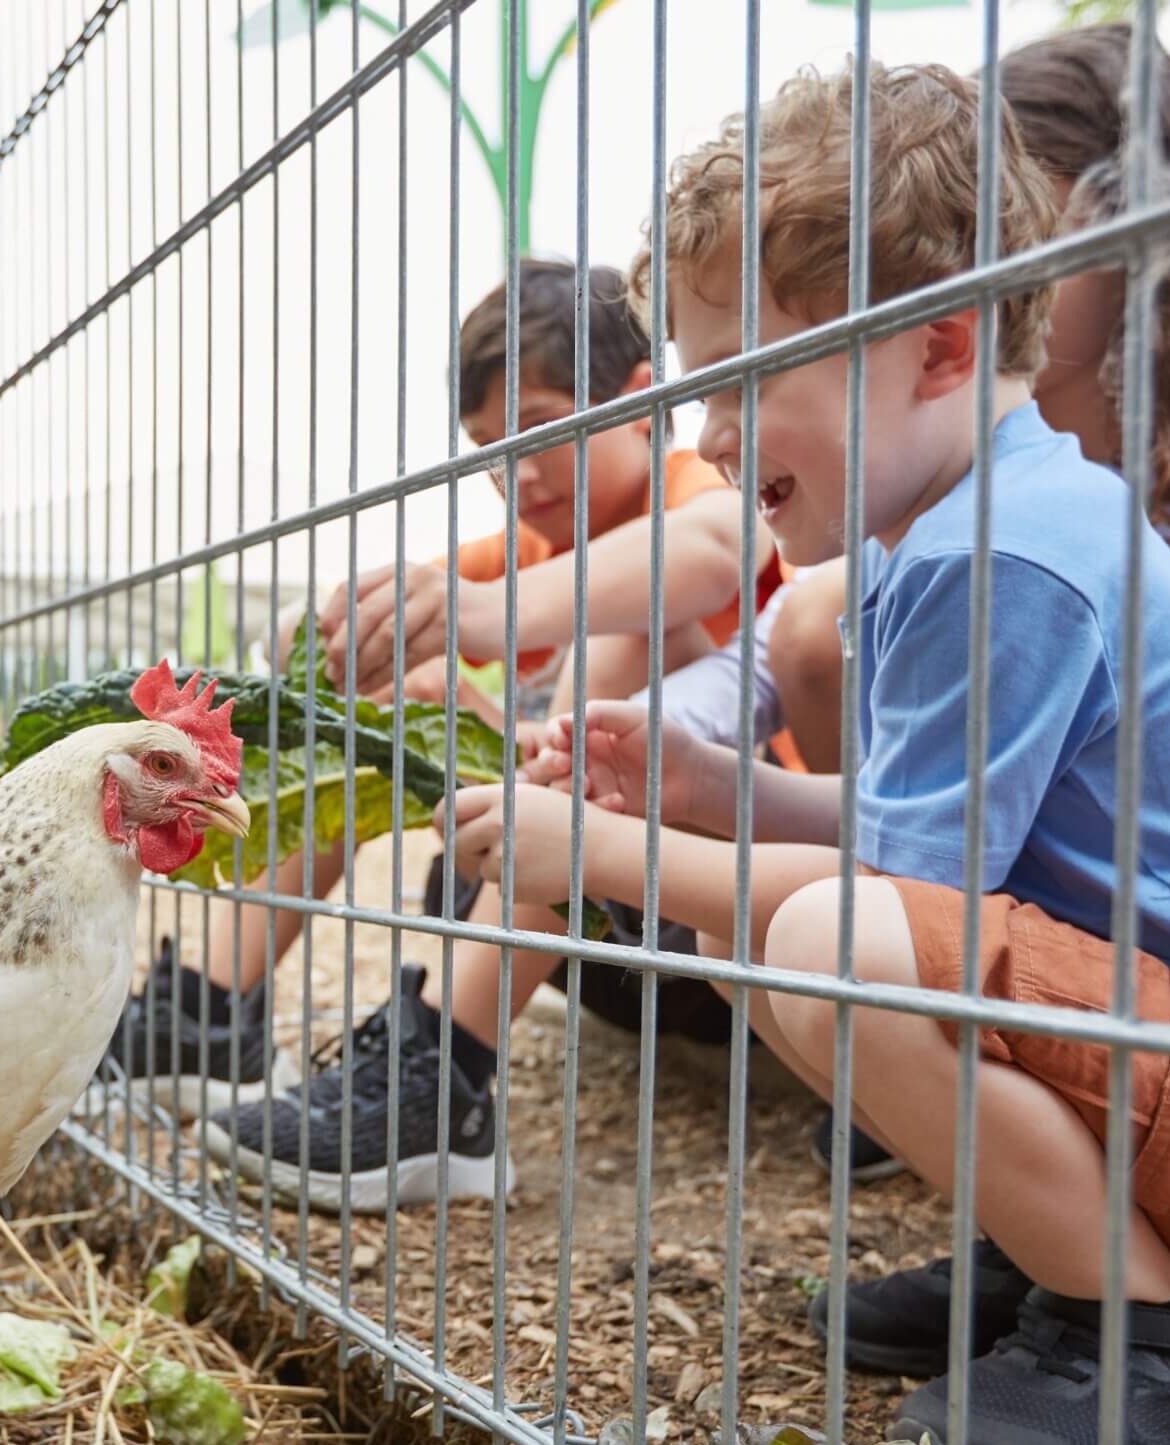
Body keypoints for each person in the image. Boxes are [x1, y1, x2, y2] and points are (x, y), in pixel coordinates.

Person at [454, 57, 1170, 1445]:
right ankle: (1056, 1262)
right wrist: (712, 785)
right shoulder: (965, 527)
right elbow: (916, 846)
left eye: (745, 375)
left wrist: (596, 857)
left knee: (813, 939)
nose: (711, 437)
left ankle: (1156, 1344)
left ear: (933, 349)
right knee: (781, 929)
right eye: (694, 386)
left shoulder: (1007, 551)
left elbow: (898, 905)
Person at [677, 23, 1170, 1191]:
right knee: (817, 656)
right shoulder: (941, 445)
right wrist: (677, 751)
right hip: (1063, 868)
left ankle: (1059, 1197)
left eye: (1014, 222)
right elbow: (786, 625)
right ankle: (1005, 1168)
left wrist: (1154, 606)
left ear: (1138, 219)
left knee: (859, 924)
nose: (978, 255)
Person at [103, 259, 782, 1212]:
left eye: (544, 429)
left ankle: (447, 1072)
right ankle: (210, 1013)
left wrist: (479, 612)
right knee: (398, 688)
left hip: (740, 923)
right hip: (595, 916)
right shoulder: (535, 550)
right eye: (488, 447)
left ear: (642, 402)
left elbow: (718, 552)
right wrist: (356, 636)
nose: (520, 472)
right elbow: (347, 622)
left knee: (627, 626)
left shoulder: (700, 487)